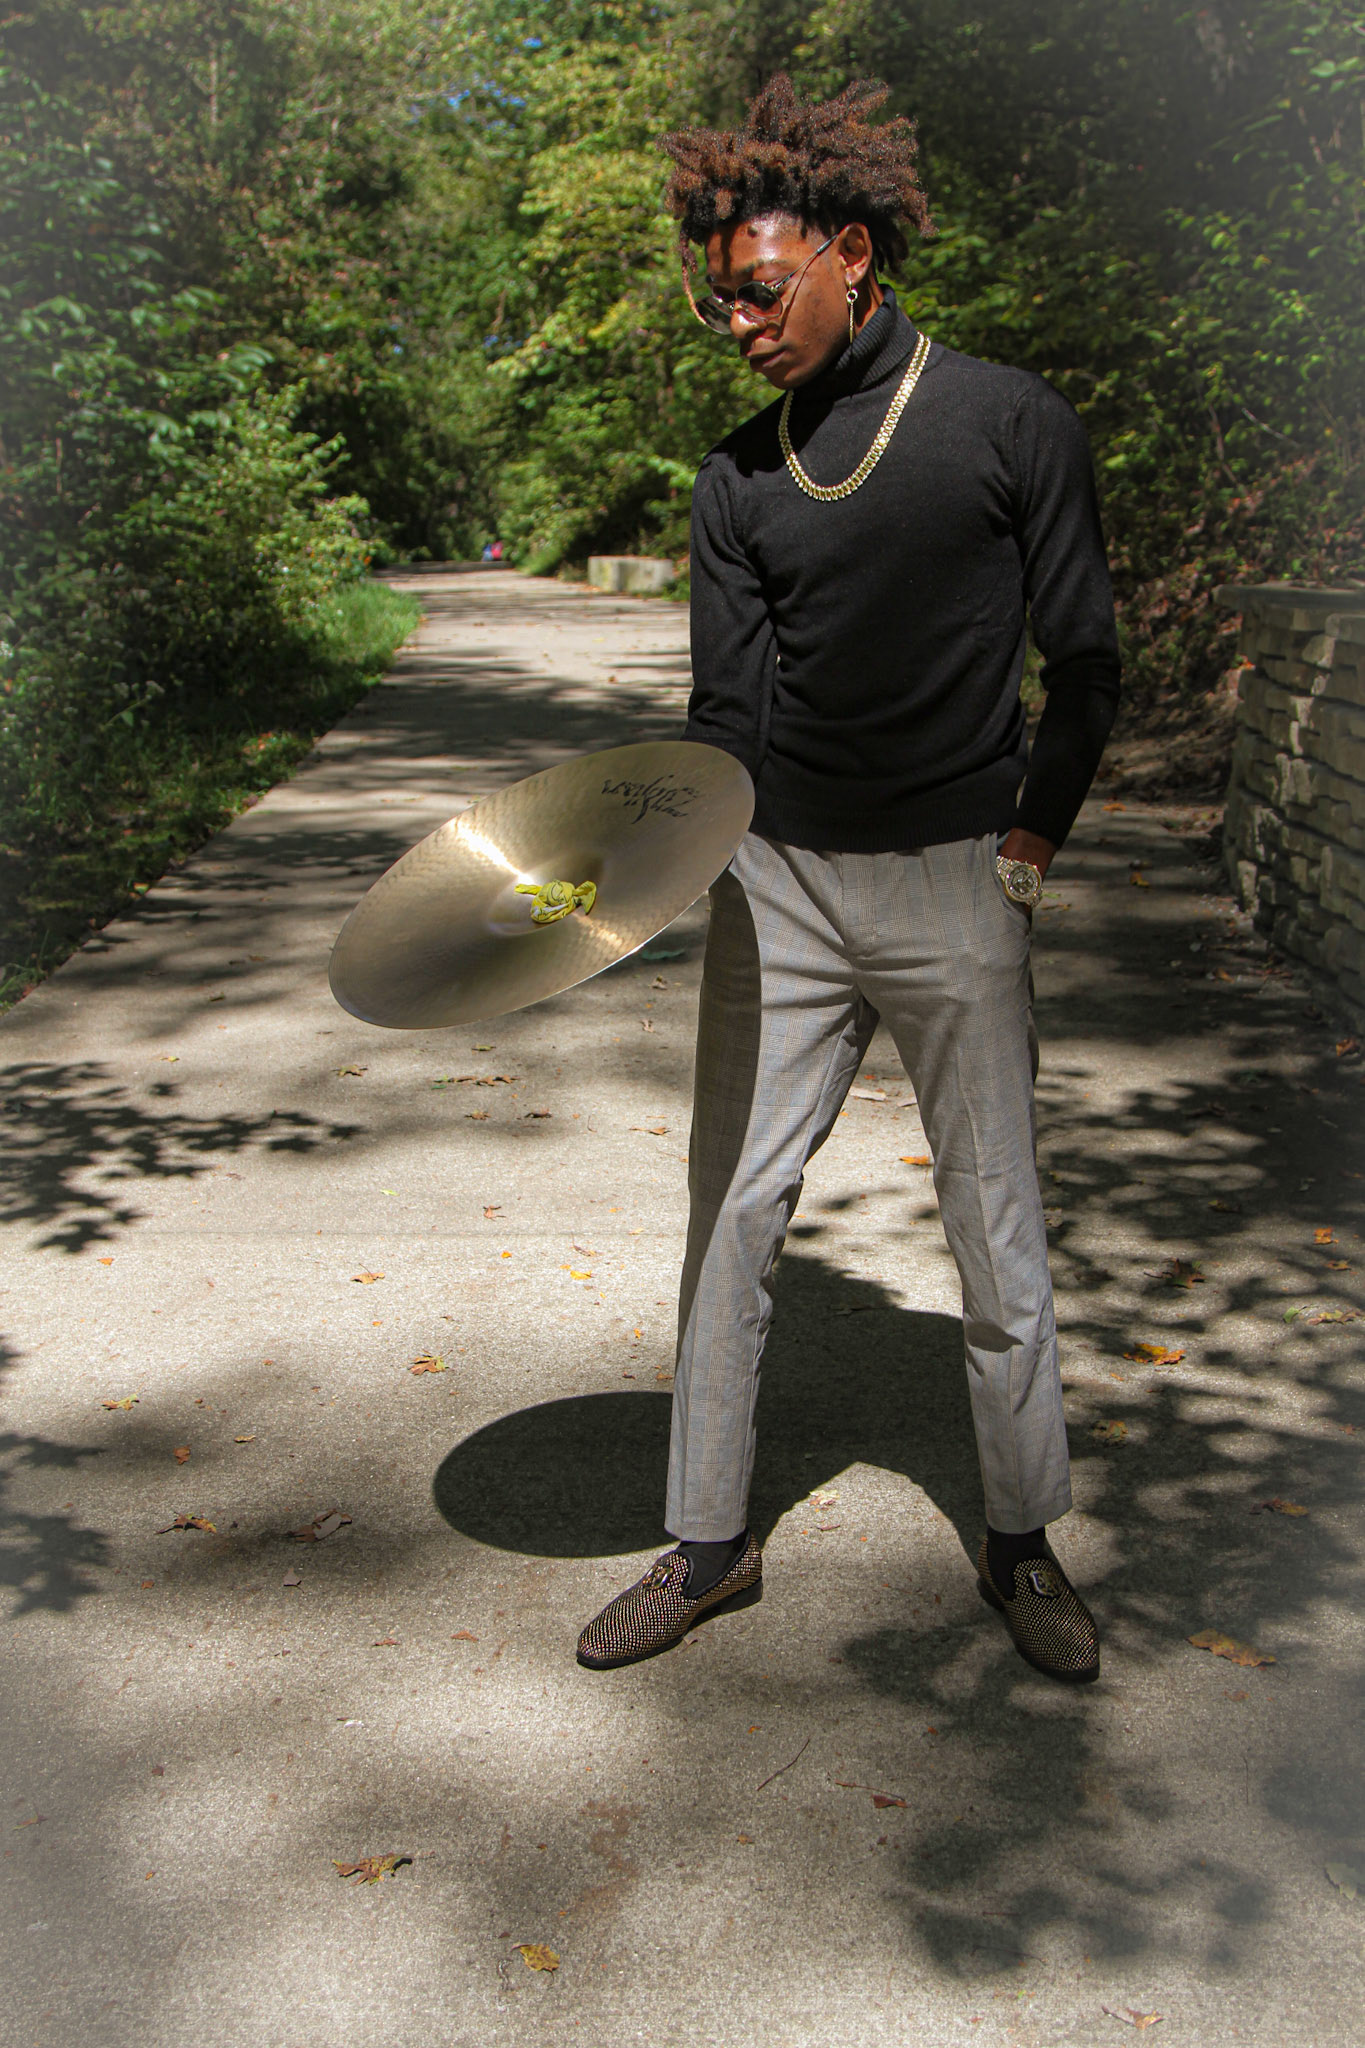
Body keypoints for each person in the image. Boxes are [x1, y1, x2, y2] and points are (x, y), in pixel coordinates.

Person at [576, 76, 1120, 1683]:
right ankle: (703, 1544)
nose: (740, 325)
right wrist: (615, 874)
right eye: (721, 302)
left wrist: (1028, 844)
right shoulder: (735, 479)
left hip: (958, 874)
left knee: (995, 1226)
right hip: (780, 887)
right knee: (734, 1216)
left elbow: (1085, 662)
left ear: (851, 255)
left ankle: (1019, 1542)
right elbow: (722, 722)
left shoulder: (1006, 421)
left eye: (762, 290)